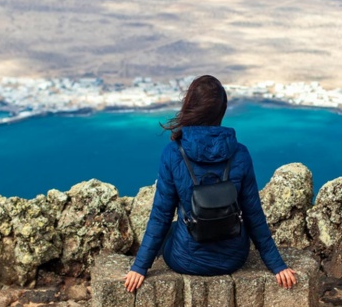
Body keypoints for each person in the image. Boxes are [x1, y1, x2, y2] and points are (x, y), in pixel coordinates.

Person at [123, 75, 297, 292]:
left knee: (173, 228)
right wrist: (277, 266)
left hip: (185, 260)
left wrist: (140, 267)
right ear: (222, 109)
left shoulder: (173, 153)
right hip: (233, 258)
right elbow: (254, 215)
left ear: (189, 105)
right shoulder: (240, 153)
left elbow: (161, 215)